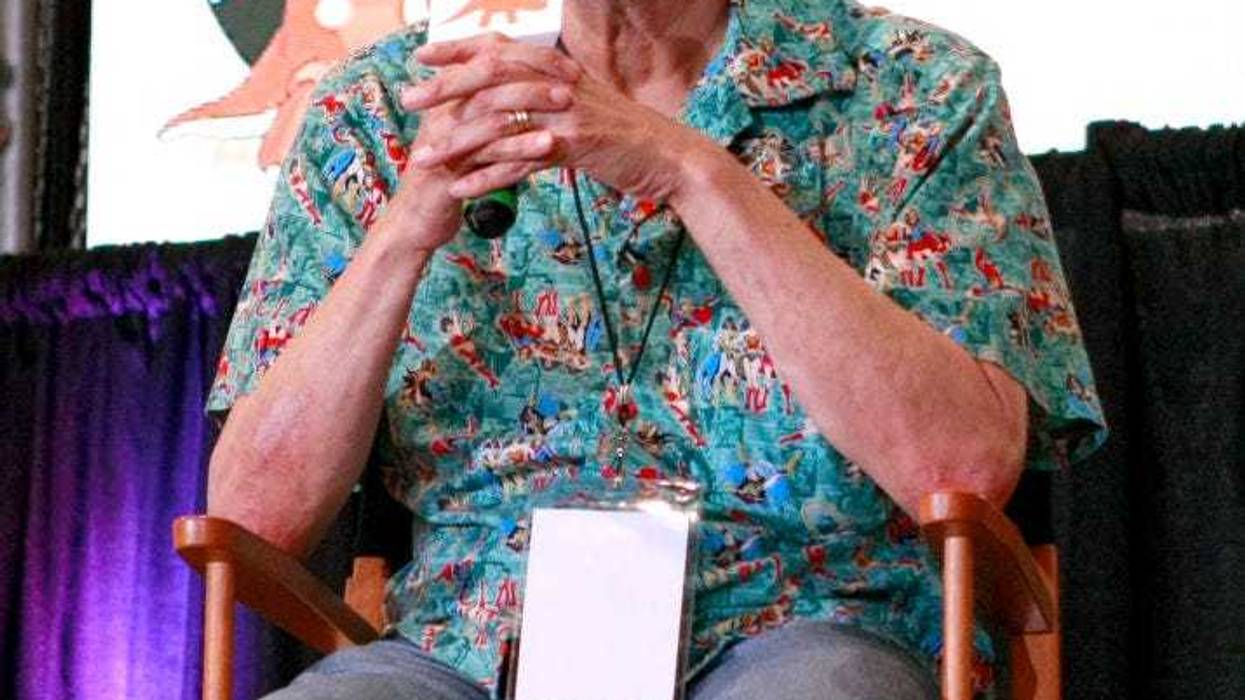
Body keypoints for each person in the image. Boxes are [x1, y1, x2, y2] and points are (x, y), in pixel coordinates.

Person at [205, 0, 1107, 698]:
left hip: (812, 626)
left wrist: (687, 169)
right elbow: (254, 517)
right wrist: (405, 230)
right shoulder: (392, 109)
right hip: (466, 651)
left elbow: (963, 460)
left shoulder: (910, 89)